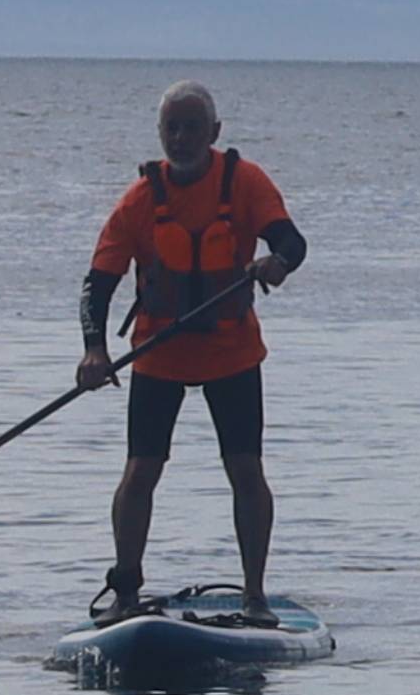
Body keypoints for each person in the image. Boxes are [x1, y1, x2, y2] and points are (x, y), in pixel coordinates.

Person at [79, 80, 306, 624]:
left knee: (246, 469)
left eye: (192, 129)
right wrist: (93, 351)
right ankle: (126, 590)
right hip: (160, 357)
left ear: (215, 133)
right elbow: (97, 284)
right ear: (160, 134)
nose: (180, 139)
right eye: (170, 129)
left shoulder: (246, 183)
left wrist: (278, 263)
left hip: (232, 353)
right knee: (140, 471)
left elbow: (291, 243)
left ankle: (255, 596)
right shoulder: (139, 201)